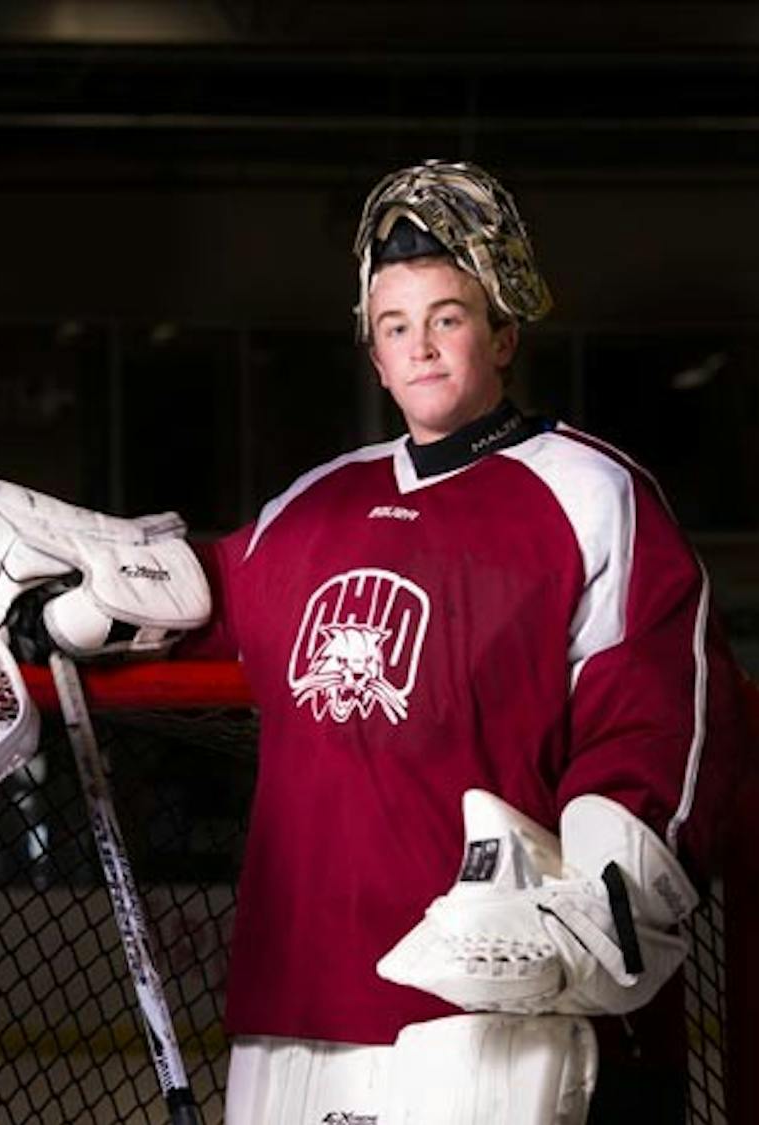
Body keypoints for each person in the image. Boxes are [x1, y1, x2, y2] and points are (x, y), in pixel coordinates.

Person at [184, 160, 750, 1123]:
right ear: (373, 355)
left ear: (503, 333)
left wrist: (609, 892)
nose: (422, 348)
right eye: (395, 327)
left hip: (495, 1016)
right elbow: (191, 594)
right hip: (297, 1003)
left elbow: (659, 719)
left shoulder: (591, 492)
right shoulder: (310, 506)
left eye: (447, 318)